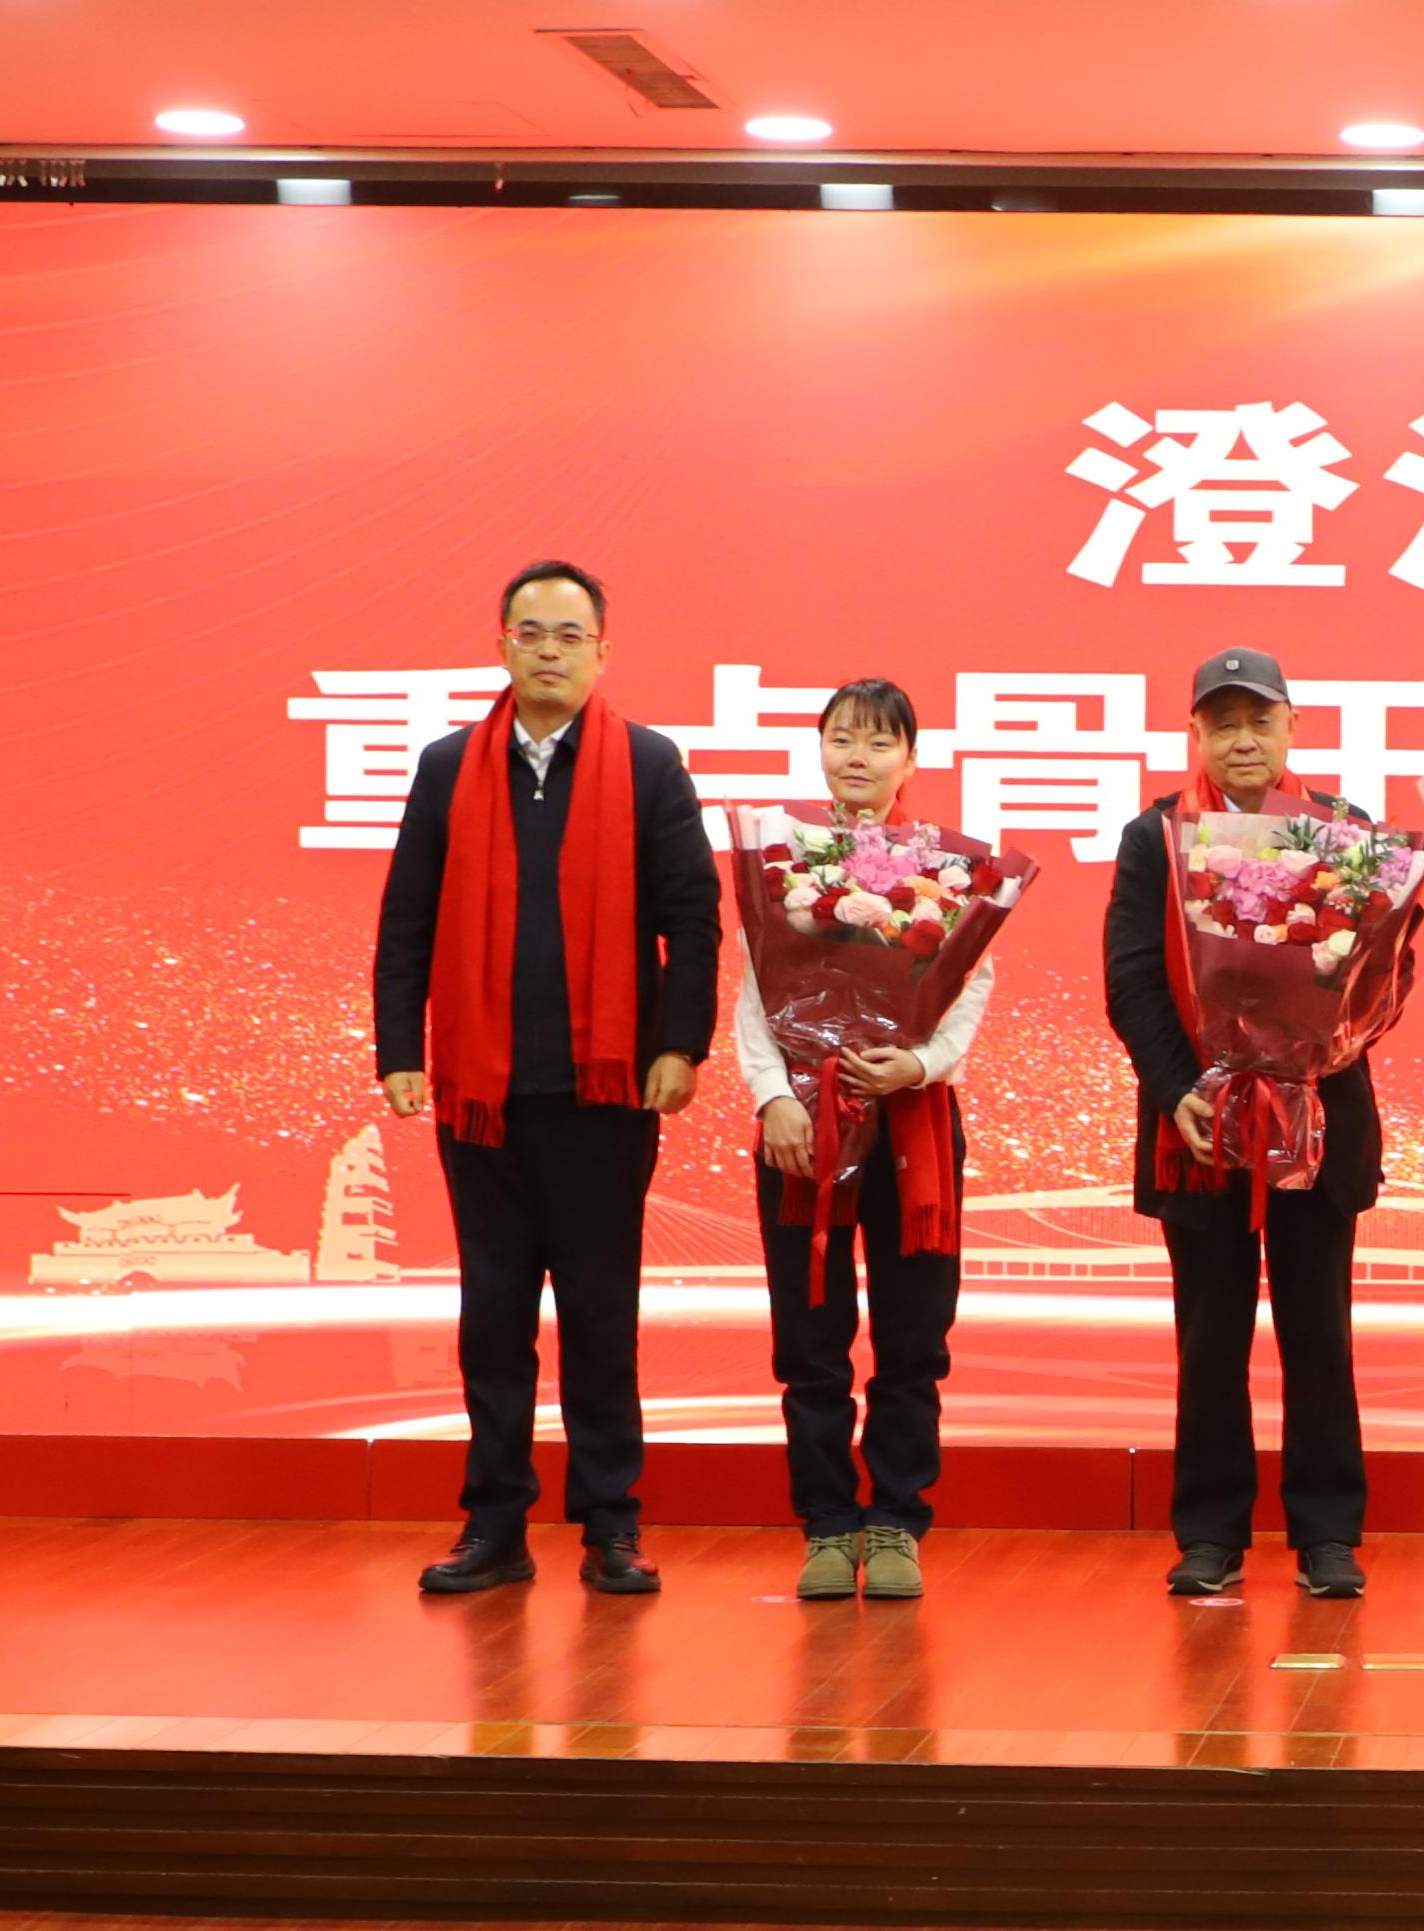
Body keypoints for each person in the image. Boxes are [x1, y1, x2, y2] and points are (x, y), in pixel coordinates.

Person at [376, 559, 721, 1595]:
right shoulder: (448, 766)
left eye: (570, 635)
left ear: (602, 652)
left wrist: (680, 1044)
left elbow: (692, 918)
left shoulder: (648, 764)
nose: (549, 651)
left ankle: (612, 1522)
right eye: (530, 632)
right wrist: (400, 1049)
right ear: (501, 645)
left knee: (600, 1316)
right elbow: (406, 918)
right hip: (481, 1093)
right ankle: (494, 1524)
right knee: (492, 1315)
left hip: (603, 1095)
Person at [1103, 649, 1408, 1600]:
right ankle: (1209, 1532)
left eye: (1258, 719)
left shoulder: (1346, 831)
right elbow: (1131, 976)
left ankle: (1327, 1533)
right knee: (1209, 1336)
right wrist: (1180, 1088)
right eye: (1222, 722)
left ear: (1290, 727)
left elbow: (1384, 969)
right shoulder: (1156, 835)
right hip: (1198, 1125)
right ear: (1196, 733)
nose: (1242, 738)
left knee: (1320, 1332)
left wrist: (1327, 1043)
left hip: (1318, 1117)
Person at [733, 679, 992, 1603]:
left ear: (909, 760)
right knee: (810, 1339)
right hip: (803, 1121)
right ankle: (826, 1524)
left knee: (913, 1336)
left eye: (879, 742)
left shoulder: (948, 868)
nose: (858, 756)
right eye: (842, 738)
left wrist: (916, 1064)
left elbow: (970, 983)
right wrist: (774, 1098)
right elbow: (754, 988)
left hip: (912, 1121)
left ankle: (895, 1522)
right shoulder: (783, 859)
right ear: (820, 749)